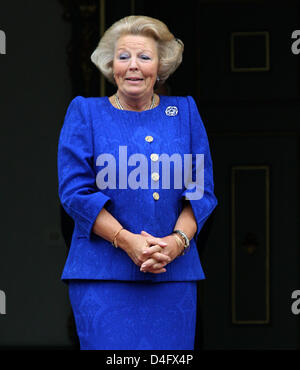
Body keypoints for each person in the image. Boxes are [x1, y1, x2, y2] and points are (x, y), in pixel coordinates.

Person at [57, 15, 217, 350]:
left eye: (144, 57)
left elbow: (201, 192)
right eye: (123, 56)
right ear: (110, 64)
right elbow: (74, 193)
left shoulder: (185, 112)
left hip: (171, 275)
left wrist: (176, 243)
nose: (133, 66)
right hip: (103, 277)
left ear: (160, 67)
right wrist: (127, 241)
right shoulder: (85, 113)